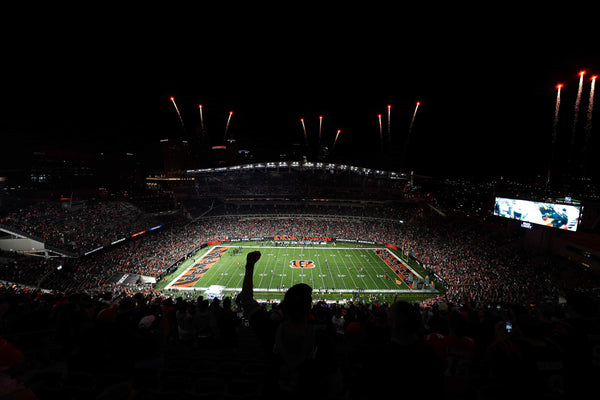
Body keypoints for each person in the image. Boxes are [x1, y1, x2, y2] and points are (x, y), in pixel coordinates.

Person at [236, 251, 340, 398]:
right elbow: (333, 380)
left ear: (284, 309)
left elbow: (246, 301)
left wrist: (250, 266)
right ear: (309, 310)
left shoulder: (270, 331)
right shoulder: (322, 340)